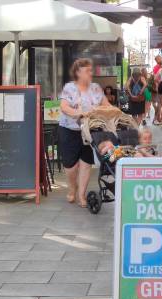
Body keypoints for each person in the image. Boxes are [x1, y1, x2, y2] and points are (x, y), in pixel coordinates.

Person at [59, 58, 110, 208]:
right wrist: (77, 112)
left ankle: (81, 195)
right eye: (87, 70)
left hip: (89, 131)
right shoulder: (69, 88)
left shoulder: (95, 88)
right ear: (78, 72)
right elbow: (63, 107)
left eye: (90, 70)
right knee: (71, 166)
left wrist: (109, 112)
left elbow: (106, 105)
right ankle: (72, 188)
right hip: (69, 130)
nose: (90, 73)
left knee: (86, 163)